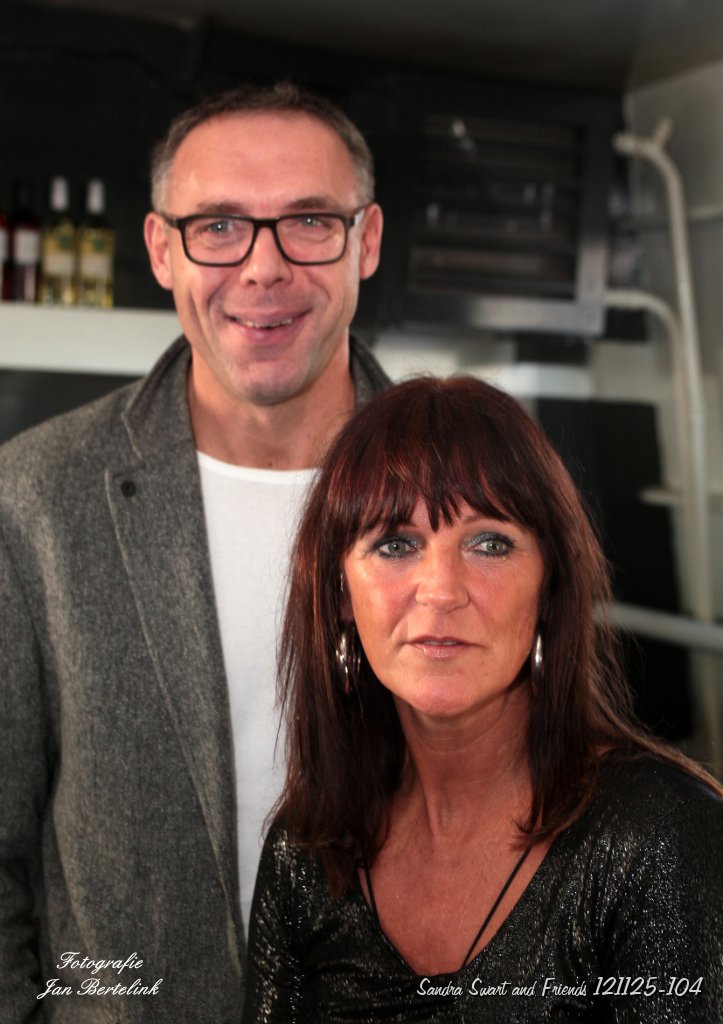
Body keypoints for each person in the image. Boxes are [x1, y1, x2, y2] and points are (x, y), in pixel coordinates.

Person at [0, 82, 387, 1022]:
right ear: (161, 249)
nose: (263, 268)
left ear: (366, 241)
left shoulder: (476, 488)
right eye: (218, 226)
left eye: (308, 221)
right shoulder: (35, 496)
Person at [242, 375, 723, 1023]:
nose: (441, 590)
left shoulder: (660, 838)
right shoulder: (305, 850)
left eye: (489, 543)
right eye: (395, 544)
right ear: (338, 595)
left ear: (549, 586)